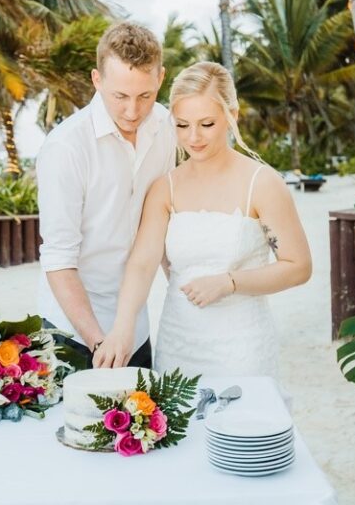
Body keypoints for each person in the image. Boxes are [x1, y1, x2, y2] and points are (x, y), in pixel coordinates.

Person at [93, 61, 312, 379]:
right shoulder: (164, 188)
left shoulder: (262, 183)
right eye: (182, 125)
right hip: (178, 345)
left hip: (242, 348)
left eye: (206, 124)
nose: (193, 137)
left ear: (232, 116)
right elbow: (142, 264)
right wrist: (121, 329)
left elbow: (298, 266)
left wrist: (230, 282)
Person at [36, 22, 177, 369]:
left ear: (160, 78)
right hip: (72, 331)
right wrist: (100, 341)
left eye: (145, 96)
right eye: (120, 96)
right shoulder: (65, 147)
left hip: (137, 327)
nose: (133, 111)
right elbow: (58, 259)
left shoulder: (167, 128)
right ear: (97, 80)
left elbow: (161, 221)